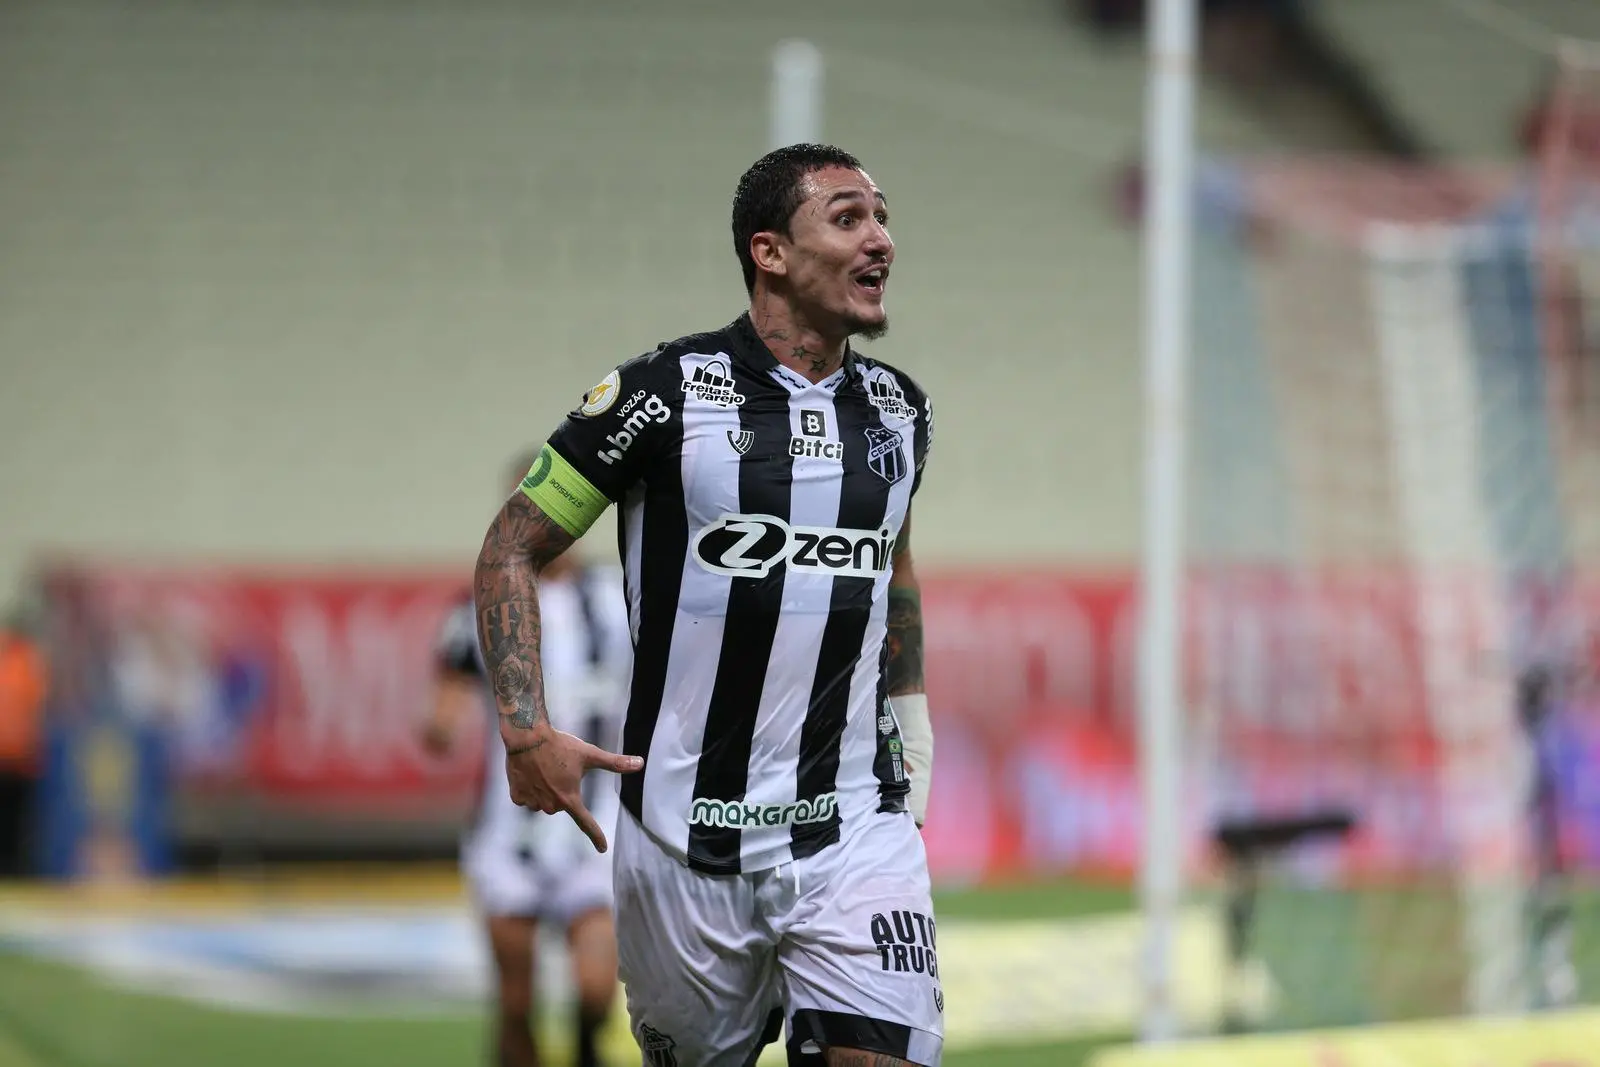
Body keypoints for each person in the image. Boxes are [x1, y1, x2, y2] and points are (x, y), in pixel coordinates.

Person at [473, 143, 940, 1066]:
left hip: (853, 825)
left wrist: (914, 727)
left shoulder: (900, 411)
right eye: (849, 218)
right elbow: (510, 548)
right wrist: (525, 729)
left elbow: (893, 566)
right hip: (680, 839)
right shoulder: (662, 396)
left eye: (883, 218)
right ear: (770, 251)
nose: (881, 239)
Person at [424, 453, 632, 1067]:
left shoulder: (617, 598)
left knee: (595, 990)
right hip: (508, 827)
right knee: (515, 1003)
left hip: (598, 823)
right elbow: (447, 697)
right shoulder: (480, 604)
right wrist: (439, 726)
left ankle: (588, 1048)